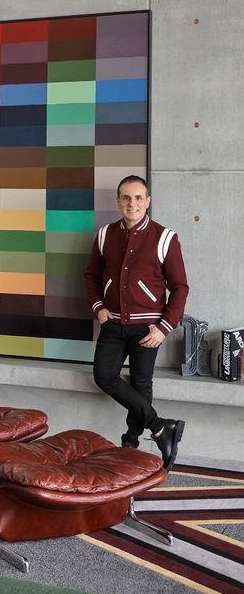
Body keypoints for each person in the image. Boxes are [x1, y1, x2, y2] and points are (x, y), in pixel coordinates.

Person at [84, 175, 189, 470]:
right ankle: (160, 428)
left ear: (148, 202)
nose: (133, 203)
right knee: (105, 376)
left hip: (148, 328)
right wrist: (98, 307)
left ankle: (131, 441)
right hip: (113, 324)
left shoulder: (165, 238)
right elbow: (91, 275)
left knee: (141, 383)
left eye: (138, 198)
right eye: (127, 198)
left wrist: (164, 328)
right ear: (118, 202)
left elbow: (180, 287)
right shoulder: (105, 235)